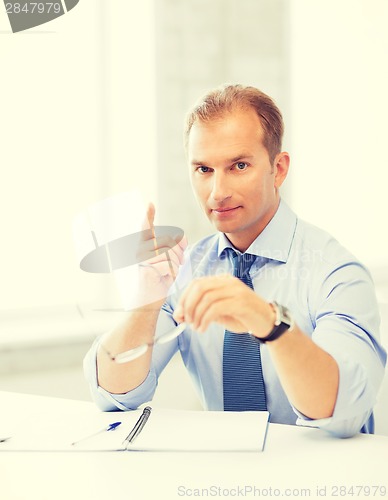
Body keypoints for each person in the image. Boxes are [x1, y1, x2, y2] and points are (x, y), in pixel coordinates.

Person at [84, 84, 386, 438]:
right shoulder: (183, 270)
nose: (218, 192)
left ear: (279, 169)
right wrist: (145, 305)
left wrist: (269, 322)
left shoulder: (335, 272)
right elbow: (114, 395)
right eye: (203, 170)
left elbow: (343, 412)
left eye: (238, 165)